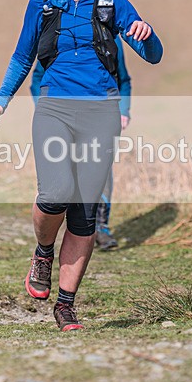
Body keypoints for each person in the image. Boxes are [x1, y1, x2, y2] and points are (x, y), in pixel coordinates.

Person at [0, 0, 162, 331]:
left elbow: (153, 55)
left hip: (101, 113)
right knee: (56, 192)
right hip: (54, 109)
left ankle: (66, 306)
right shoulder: (42, 5)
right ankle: (43, 251)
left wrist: (146, 35)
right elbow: (21, 57)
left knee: (85, 214)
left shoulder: (112, 2)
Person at [29, 34, 131, 251]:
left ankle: (100, 227)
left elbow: (123, 78)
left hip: (99, 116)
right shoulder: (58, 33)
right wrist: (45, 110)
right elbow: (37, 78)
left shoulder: (113, 39)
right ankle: (57, 227)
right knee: (61, 174)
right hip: (59, 116)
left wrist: (123, 111)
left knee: (100, 172)